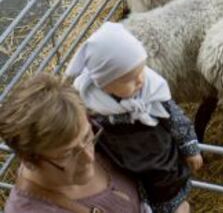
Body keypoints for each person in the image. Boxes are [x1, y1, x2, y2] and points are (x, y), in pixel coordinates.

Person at [66, 22, 203, 213]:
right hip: (123, 170)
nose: (140, 80)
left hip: (161, 165)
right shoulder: (91, 105)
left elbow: (176, 118)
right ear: (104, 84)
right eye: (128, 78)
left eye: (142, 70)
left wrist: (190, 147)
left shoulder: (151, 90)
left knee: (175, 204)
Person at [0, 72, 146, 212]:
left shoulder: (101, 125)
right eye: (68, 154)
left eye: (87, 137)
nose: (89, 158)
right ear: (29, 160)